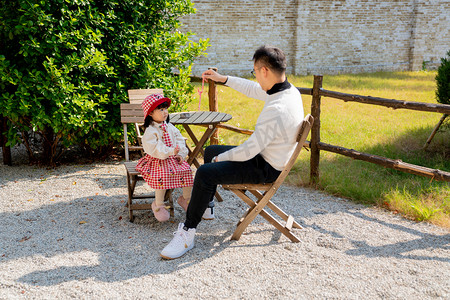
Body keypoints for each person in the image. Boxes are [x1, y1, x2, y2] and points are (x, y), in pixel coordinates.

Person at [160, 45, 304, 259]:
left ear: (264, 70)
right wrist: (223, 79)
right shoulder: (288, 91)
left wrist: (222, 158)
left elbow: (248, 151)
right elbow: (252, 89)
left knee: (206, 172)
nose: (255, 77)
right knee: (209, 151)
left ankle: (188, 232)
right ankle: (206, 206)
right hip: (267, 156)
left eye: (255, 71)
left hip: (266, 168)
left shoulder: (277, 109)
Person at [135, 94, 194, 222]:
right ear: (151, 113)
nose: (165, 112)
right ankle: (159, 204)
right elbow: (154, 148)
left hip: (172, 158)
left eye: (166, 108)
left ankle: (186, 199)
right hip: (157, 159)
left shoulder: (170, 127)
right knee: (162, 174)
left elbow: (179, 140)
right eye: (161, 109)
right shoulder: (150, 131)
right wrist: (170, 151)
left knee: (187, 170)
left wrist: (181, 154)